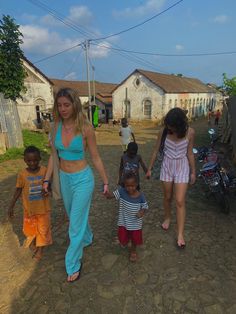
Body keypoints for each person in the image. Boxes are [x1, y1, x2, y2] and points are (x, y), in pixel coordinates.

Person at [43, 87, 109, 282]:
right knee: (74, 215)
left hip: (83, 179)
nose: (63, 109)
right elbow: (53, 157)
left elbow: (96, 157)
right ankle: (87, 238)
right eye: (59, 105)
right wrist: (46, 179)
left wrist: (105, 180)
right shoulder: (55, 127)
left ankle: (72, 263)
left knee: (74, 223)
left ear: (74, 105)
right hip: (64, 178)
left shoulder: (86, 128)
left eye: (67, 104)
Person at [146, 108, 196, 248]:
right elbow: (156, 149)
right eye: (168, 125)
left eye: (172, 126)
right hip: (167, 165)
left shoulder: (190, 132)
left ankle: (180, 233)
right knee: (167, 196)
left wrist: (193, 172)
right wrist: (149, 168)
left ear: (180, 125)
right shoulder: (163, 132)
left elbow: (190, 153)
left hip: (182, 166)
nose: (169, 128)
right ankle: (167, 217)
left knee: (180, 201)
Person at [8, 146, 52, 260]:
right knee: (30, 230)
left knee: (43, 230)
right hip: (29, 210)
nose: (32, 163)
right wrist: (11, 206)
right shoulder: (22, 174)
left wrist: (48, 191)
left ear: (40, 159)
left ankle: (40, 250)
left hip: (43, 208)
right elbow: (18, 190)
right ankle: (33, 242)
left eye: (35, 160)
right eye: (29, 161)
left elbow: (49, 186)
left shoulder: (44, 171)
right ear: (25, 160)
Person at [106, 172, 148, 262]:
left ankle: (133, 251)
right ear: (124, 185)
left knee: (134, 239)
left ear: (136, 184)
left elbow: (145, 207)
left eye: (132, 186)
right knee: (123, 237)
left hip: (135, 223)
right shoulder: (122, 191)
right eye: (127, 186)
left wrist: (142, 212)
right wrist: (107, 194)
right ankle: (125, 241)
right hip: (124, 221)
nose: (130, 188)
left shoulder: (140, 196)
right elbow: (112, 196)